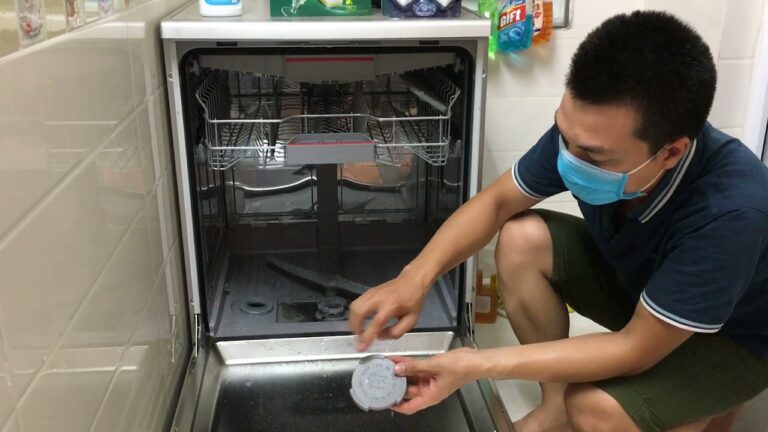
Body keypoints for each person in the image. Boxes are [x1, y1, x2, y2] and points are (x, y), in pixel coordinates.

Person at [348, 10, 768, 432]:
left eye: (594, 156)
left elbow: (635, 348)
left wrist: (475, 365)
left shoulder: (730, 212)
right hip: (647, 292)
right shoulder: (587, 135)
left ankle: (702, 404)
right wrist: (414, 278)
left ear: (670, 153)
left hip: (732, 339)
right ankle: (554, 408)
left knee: (594, 408)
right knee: (521, 237)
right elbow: (496, 204)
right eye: (564, 136)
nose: (569, 158)